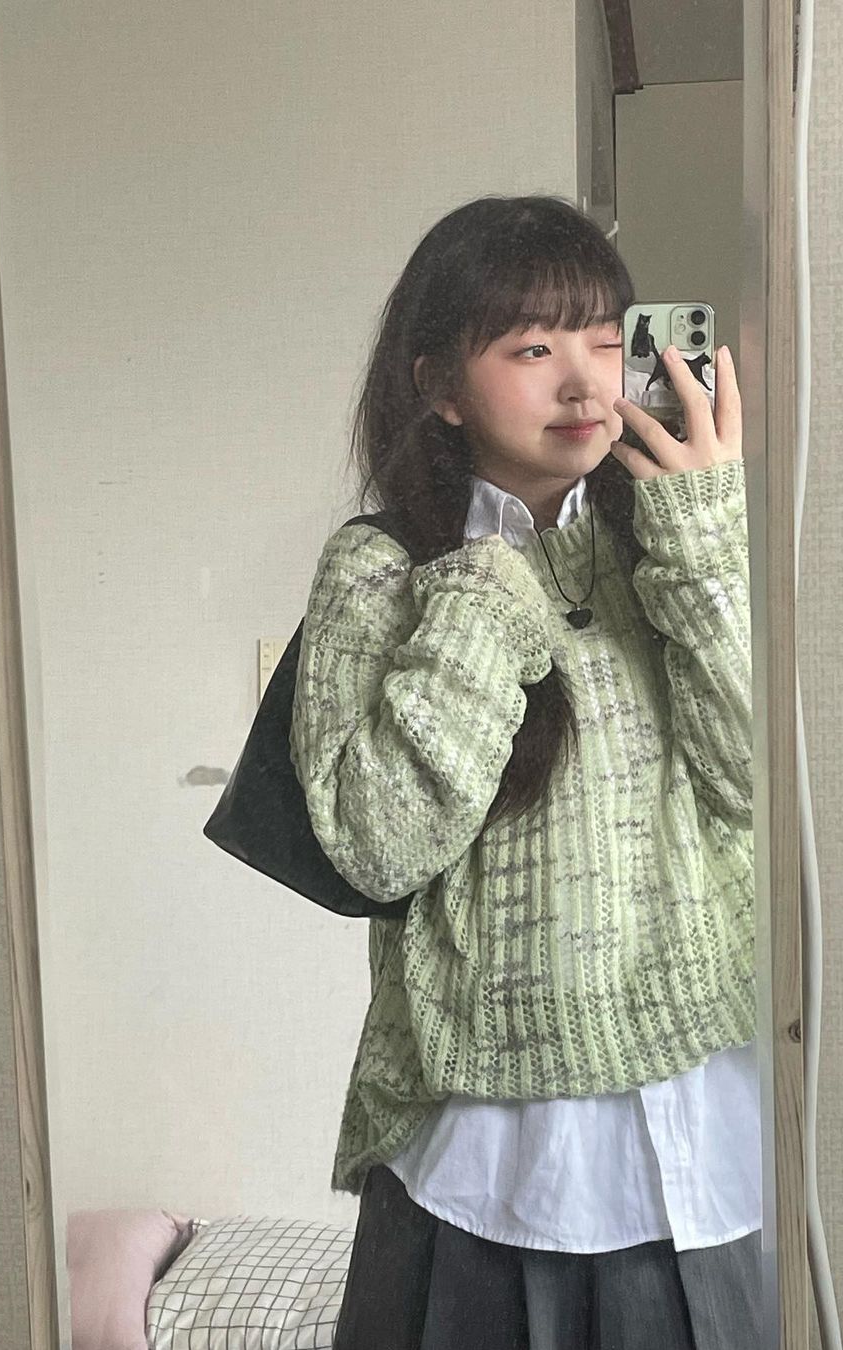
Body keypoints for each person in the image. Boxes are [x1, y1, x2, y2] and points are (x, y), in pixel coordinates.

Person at [288, 196, 761, 1349]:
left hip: (704, 1128)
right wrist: (489, 587)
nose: (586, 382)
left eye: (605, 338)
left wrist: (704, 534)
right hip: (483, 1152)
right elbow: (376, 845)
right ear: (441, 385)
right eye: (534, 349)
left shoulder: (674, 535)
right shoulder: (378, 572)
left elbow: (759, 786)